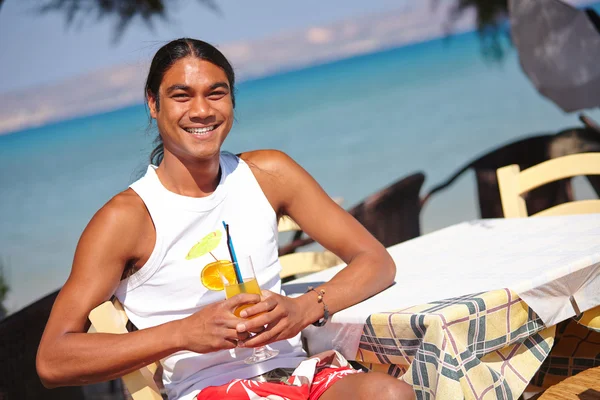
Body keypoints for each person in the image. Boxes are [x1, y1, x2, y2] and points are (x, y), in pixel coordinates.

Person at [36, 38, 415, 400]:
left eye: (215, 93)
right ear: (153, 104)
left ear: (232, 101)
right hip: (209, 390)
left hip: (299, 375)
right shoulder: (127, 218)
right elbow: (52, 360)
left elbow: (376, 260)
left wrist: (304, 309)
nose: (202, 110)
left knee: (389, 392)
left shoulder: (269, 174)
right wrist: (184, 332)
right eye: (181, 95)